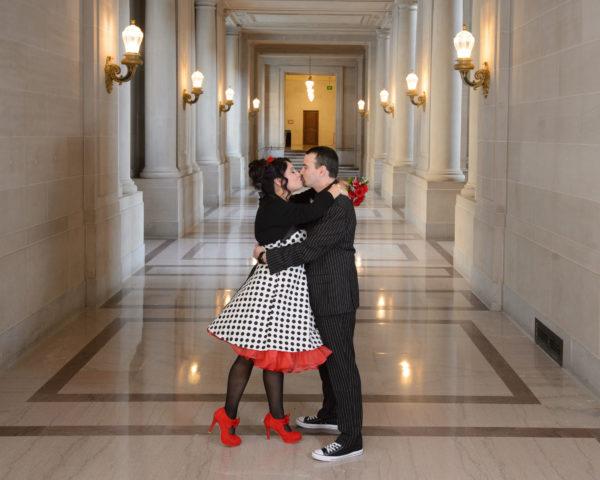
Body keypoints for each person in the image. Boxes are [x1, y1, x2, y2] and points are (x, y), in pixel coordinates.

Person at [207, 156, 345, 447]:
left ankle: (276, 418)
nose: (298, 175)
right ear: (279, 180)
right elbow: (313, 210)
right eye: (294, 171)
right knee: (248, 356)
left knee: (274, 355)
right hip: (269, 290)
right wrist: (334, 190)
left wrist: (330, 185)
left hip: (284, 290)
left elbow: (306, 200)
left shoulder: (280, 204)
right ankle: (227, 416)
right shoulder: (275, 208)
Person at [253, 146, 363, 462]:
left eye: (307, 167)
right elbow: (281, 204)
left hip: (335, 294)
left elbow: (309, 250)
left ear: (323, 171)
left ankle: (352, 437)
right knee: (328, 361)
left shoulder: (339, 205)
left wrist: (266, 256)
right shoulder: (316, 197)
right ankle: (331, 413)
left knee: (342, 364)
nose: (301, 172)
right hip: (318, 291)